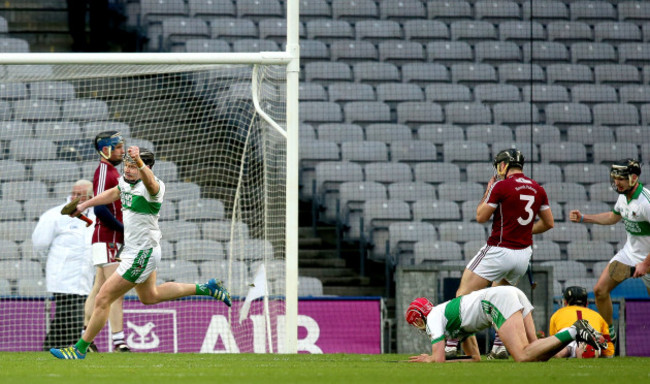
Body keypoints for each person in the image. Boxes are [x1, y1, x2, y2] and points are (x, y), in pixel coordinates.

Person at [50, 146, 232, 360]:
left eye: (133, 167)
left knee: (103, 298)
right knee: (150, 296)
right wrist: (84, 205)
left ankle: (79, 349)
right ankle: (206, 288)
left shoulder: (154, 187)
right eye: (126, 165)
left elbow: (151, 182)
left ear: (145, 167)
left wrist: (140, 163)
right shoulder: (126, 182)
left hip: (143, 253)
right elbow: (114, 193)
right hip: (137, 251)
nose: (128, 170)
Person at [446, 149, 555, 359]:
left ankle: (451, 344)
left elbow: (480, 216)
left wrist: (488, 191)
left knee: (462, 295)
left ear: (503, 165)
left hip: (498, 251)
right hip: (523, 256)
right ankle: (499, 346)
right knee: (502, 298)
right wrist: (522, 229)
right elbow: (549, 223)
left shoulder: (501, 185)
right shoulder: (538, 189)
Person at [405, 286, 607, 363]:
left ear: (418, 319)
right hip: (511, 293)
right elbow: (474, 358)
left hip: (496, 300)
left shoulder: (432, 319)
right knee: (537, 354)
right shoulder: (449, 319)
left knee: (522, 355)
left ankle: (574, 330)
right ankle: (573, 335)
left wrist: (429, 358)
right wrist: (440, 359)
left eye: (415, 324)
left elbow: (438, 358)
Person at [569, 159, 650, 342]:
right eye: (614, 178)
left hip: (648, 259)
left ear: (634, 178)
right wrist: (584, 218)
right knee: (600, 290)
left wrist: (645, 264)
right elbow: (613, 217)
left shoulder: (646, 202)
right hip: (629, 255)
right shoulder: (623, 196)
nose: (616, 182)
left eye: (620, 178)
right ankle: (608, 335)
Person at [32, 180, 96, 350]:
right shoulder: (55, 215)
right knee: (75, 321)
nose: (74, 197)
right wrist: (56, 265)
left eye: (79, 195)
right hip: (62, 278)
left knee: (65, 322)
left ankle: (48, 352)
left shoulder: (97, 217)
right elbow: (40, 245)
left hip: (85, 279)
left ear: (90, 197)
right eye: (73, 193)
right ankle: (82, 348)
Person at [87, 130, 129, 352]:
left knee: (100, 288)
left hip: (107, 239)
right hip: (108, 238)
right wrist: (123, 230)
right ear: (106, 150)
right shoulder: (104, 171)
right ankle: (119, 340)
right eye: (118, 146)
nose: (122, 150)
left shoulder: (112, 171)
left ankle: (88, 335)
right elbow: (100, 208)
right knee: (115, 291)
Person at [549, 286, 614, 358]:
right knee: (586, 345)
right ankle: (585, 349)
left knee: (562, 348)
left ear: (565, 302)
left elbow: (553, 338)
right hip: (590, 333)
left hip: (566, 332)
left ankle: (563, 351)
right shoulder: (597, 316)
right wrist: (608, 353)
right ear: (586, 303)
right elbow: (608, 344)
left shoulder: (557, 313)